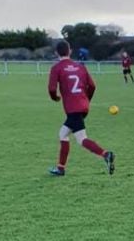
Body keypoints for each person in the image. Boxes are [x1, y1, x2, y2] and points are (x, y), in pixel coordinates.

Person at [47, 40, 115, 176]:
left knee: (81, 139)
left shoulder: (57, 68)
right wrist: (86, 100)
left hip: (73, 109)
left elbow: (52, 89)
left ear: (56, 53)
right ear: (70, 51)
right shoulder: (81, 67)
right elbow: (93, 86)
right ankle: (60, 168)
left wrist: (55, 98)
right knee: (63, 134)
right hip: (82, 107)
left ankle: (106, 154)